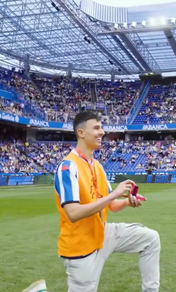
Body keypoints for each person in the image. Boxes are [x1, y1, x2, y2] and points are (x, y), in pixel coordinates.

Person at [54, 111, 161, 292]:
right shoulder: (68, 167)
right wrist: (114, 194)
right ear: (81, 133)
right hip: (80, 247)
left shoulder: (98, 167)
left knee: (150, 238)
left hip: (103, 234)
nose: (102, 132)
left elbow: (112, 206)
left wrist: (126, 201)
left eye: (101, 127)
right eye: (96, 128)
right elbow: (73, 213)